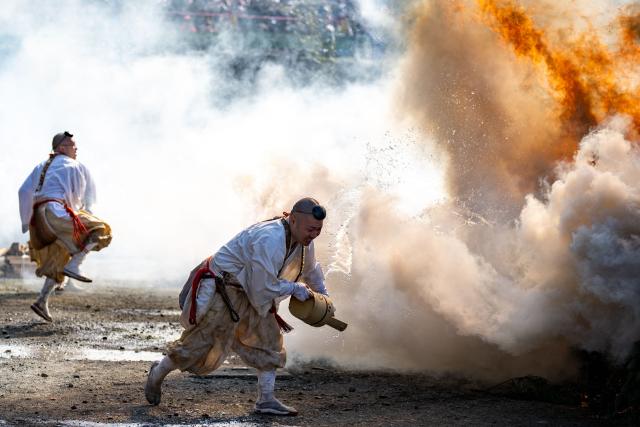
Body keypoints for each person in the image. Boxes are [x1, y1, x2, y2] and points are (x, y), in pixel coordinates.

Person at [145, 197, 330, 416]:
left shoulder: (304, 242)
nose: (314, 234)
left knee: (269, 341)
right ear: (294, 220)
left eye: (318, 230)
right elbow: (263, 285)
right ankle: (158, 372)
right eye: (311, 229)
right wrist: (294, 288)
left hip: (253, 291)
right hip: (225, 287)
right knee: (198, 343)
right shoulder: (269, 238)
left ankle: (266, 400)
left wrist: (324, 297)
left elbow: (311, 270)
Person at [18, 131, 112, 322]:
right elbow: (86, 200)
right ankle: (76, 264)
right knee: (101, 229)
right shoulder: (75, 165)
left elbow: (24, 191)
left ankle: (41, 301)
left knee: (60, 255)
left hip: (39, 222)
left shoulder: (41, 166)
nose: (76, 149)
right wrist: (83, 216)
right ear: (61, 148)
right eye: (73, 145)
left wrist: (25, 221)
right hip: (57, 213)